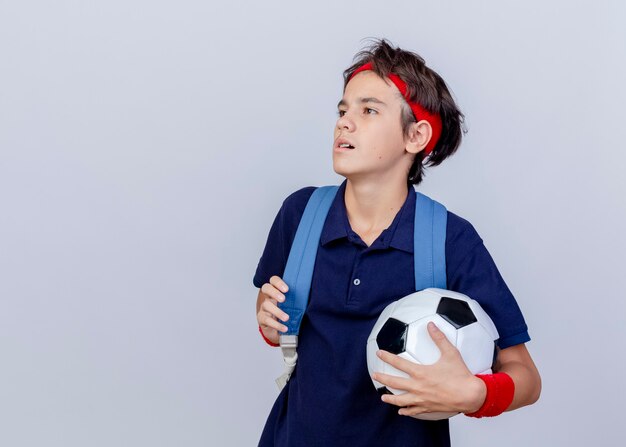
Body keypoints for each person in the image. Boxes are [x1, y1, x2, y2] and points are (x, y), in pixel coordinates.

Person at [253, 38, 541, 446]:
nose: (344, 122)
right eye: (343, 109)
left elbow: (525, 376)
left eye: (368, 110)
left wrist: (476, 393)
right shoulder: (300, 215)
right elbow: (277, 314)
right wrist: (269, 316)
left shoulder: (451, 240)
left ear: (415, 136)